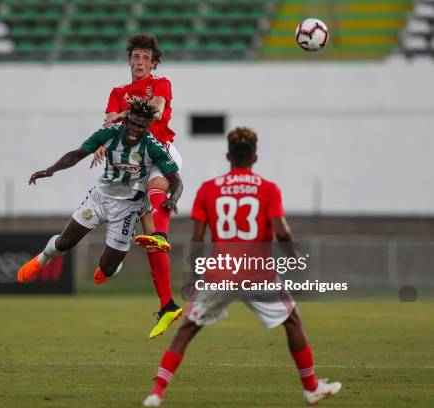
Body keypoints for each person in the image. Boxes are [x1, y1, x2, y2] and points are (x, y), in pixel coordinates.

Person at [143, 127, 341, 407]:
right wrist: (292, 252)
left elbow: (197, 240)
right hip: (258, 272)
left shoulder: (209, 189)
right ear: (255, 157)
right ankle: (311, 387)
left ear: (228, 156)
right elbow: (282, 232)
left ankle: (156, 393)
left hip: (220, 272)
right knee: (292, 321)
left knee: (188, 329)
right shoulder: (268, 189)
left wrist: (194, 277)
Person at [17, 98, 183, 296]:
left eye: (141, 126)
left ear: (148, 126)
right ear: (126, 120)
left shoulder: (153, 147)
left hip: (128, 209)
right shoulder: (109, 134)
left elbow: (176, 180)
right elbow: (77, 154)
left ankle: (112, 263)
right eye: (132, 123)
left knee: (107, 269)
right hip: (99, 199)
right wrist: (51, 170)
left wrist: (173, 198)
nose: (135, 129)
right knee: (65, 243)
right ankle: (43, 259)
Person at [92, 33, 182, 339]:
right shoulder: (118, 91)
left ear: (153, 62)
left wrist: (123, 117)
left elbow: (155, 110)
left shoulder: (161, 83)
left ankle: (161, 233)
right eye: (135, 57)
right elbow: (108, 123)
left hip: (161, 151)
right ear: (129, 60)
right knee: (150, 245)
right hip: (134, 166)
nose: (139, 62)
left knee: (158, 189)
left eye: (145, 57)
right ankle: (168, 305)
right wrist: (105, 142)